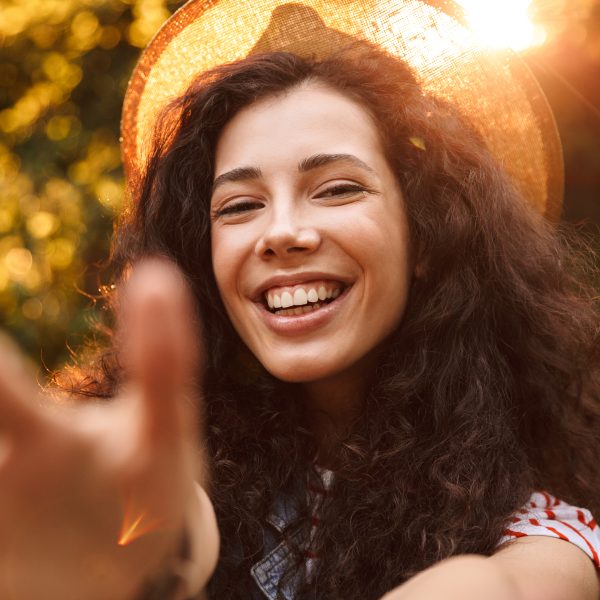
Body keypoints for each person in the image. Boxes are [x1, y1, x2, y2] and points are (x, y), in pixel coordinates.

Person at [1, 1, 599, 599]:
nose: (281, 232)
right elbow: (168, 532)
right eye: (239, 205)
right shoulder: (161, 477)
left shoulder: (537, 529)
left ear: (427, 234)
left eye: (337, 189)